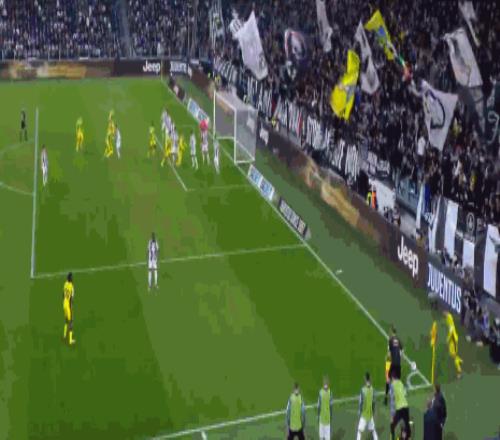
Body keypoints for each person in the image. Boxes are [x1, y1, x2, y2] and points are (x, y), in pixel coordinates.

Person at [389, 372, 411, 440]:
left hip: (399, 408)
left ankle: (393, 437)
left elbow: (392, 401)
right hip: (406, 407)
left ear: (392, 378)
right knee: (407, 424)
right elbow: (405, 393)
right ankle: (407, 437)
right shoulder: (401, 383)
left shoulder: (392, 385)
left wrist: (392, 415)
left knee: (392, 425)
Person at [356, 372, 378, 440]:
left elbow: (360, 402)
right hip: (370, 414)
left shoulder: (362, 390)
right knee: (373, 430)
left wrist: (359, 411)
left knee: (359, 431)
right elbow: (374, 402)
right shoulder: (373, 390)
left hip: (364, 414)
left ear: (365, 379)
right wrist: (373, 411)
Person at [385, 326, 403, 405]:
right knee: (398, 381)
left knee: (388, 379)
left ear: (392, 332)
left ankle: (386, 398)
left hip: (393, 363)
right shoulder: (399, 340)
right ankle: (398, 398)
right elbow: (401, 352)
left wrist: (387, 358)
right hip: (398, 363)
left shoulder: (390, 340)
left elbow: (389, 353)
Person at [445, 312, 463, 378]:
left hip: (454, 341)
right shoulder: (450, 321)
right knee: (452, 354)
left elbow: (450, 333)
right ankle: (460, 360)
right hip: (452, 342)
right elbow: (449, 315)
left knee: (454, 356)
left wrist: (447, 340)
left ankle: (459, 371)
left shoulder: (451, 326)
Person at [63, 272, 76, 345]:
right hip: (68, 305)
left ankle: (64, 335)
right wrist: (71, 308)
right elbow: (71, 299)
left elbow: (63, 294)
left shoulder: (65, 284)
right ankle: (70, 340)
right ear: (71, 278)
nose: (72, 278)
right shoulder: (71, 286)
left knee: (66, 320)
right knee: (71, 322)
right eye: (72, 277)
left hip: (64, 304)